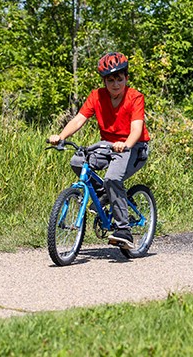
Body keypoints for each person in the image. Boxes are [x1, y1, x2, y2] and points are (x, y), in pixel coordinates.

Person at [48, 52, 150, 250]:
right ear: (104, 81)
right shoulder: (97, 96)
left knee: (113, 178)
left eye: (119, 79)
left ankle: (124, 230)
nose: (115, 84)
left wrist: (126, 144)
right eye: (110, 80)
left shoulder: (135, 97)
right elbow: (79, 119)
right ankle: (104, 194)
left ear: (126, 78)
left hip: (134, 146)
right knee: (77, 162)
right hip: (108, 145)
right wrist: (61, 137)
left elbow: (137, 129)